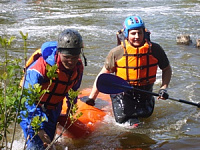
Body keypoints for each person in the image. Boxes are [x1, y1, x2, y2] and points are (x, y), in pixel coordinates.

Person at [86, 16, 172, 126]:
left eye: (140, 33)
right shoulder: (117, 52)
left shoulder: (155, 49)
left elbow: (166, 69)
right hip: (122, 93)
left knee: (146, 117)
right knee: (129, 124)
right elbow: (102, 76)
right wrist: (92, 98)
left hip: (145, 92)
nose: (137, 37)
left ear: (144, 33)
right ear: (127, 34)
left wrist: (164, 88)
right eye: (133, 33)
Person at [20, 29, 86, 149]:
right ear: (59, 52)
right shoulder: (40, 68)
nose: (71, 61)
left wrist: (70, 110)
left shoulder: (78, 67)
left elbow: (73, 90)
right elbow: (25, 101)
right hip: (32, 107)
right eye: (66, 57)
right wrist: (38, 128)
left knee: (49, 144)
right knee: (36, 146)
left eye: (75, 57)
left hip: (54, 108)